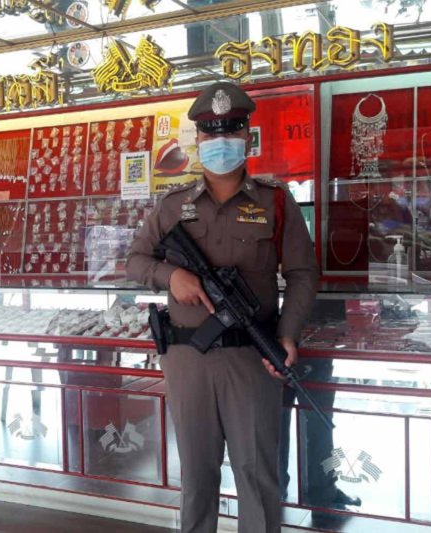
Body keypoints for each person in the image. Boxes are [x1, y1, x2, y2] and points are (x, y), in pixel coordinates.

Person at [127, 82, 319, 533]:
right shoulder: (174, 207)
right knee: (196, 477)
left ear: (247, 139)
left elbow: (303, 273)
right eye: (211, 134)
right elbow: (136, 260)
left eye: (230, 132)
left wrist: (287, 334)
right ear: (198, 142)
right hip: (187, 359)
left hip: (252, 358)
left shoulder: (275, 202)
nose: (221, 143)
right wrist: (171, 276)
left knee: (258, 478)